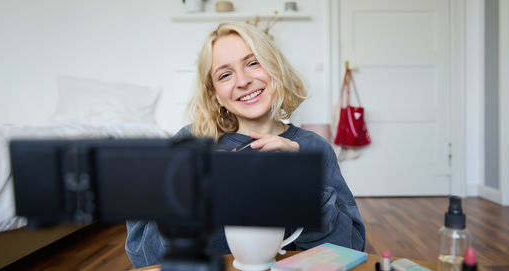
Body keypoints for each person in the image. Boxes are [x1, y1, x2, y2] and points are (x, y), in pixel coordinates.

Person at [125, 22, 365, 268]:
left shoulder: (313, 148)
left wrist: (305, 185)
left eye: (253, 63)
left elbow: (350, 248)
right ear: (215, 94)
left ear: (276, 69)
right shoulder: (190, 143)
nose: (243, 81)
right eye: (225, 74)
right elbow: (143, 254)